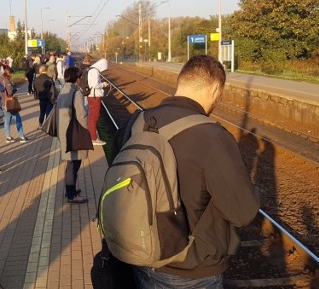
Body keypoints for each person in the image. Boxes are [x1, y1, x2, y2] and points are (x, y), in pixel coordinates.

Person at [131, 55, 260, 288]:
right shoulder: (213, 136)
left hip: (140, 256)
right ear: (214, 89)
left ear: (181, 83)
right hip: (189, 271)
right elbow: (243, 213)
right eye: (219, 96)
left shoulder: (137, 121)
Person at [56, 67, 89, 203]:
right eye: (80, 77)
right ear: (76, 78)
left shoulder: (63, 89)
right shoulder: (77, 93)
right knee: (74, 163)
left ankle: (71, 190)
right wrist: (86, 132)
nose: (81, 79)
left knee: (71, 162)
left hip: (64, 130)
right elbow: (81, 115)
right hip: (74, 132)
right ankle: (71, 195)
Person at [1, 67, 29, 143]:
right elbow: (10, 92)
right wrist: (15, 90)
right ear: (8, 73)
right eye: (12, 73)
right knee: (18, 119)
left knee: (7, 121)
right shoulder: (7, 81)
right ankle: (21, 136)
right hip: (10, 103)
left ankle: (8, 137)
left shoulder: (1, 79)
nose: (12, 75)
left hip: (3, 103)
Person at [86, 58, 109, 145]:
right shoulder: (95, 71)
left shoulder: (91, 69)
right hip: (95, 96)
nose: (103, 70)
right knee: (94, 117)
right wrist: (103, 84)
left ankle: (92, 135)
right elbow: (95, 84)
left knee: (92, 116)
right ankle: (94, 138)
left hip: (92, 95)